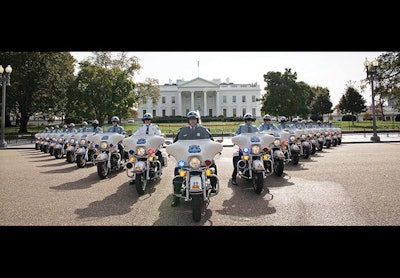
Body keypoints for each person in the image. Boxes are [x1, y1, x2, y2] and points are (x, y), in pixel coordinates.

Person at [171, 111, 216, 207]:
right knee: (178, 170)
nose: (192, 121)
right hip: (186, 157)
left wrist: (214, 147)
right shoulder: (182, 131)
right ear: (188, 120)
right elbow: (175, 143)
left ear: (197, 120)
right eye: (191, 119)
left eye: (194, 119)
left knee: (212, 165)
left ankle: (214, 186)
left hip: (200, 156)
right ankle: (176, 196)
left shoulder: (204, 130)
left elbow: (211, 141)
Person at [231, 113, 259, 185]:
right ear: (245, 121)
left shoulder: (255, 128)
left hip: (253, 147)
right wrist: (236, 138)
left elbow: (260, 135)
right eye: (247, 120)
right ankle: (234, 177)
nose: (249, 121)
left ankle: (261, 173)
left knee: (261, 156)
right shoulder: (241, 127)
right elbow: (236, 134)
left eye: (250, 120)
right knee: (239, 162)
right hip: (244, 147)